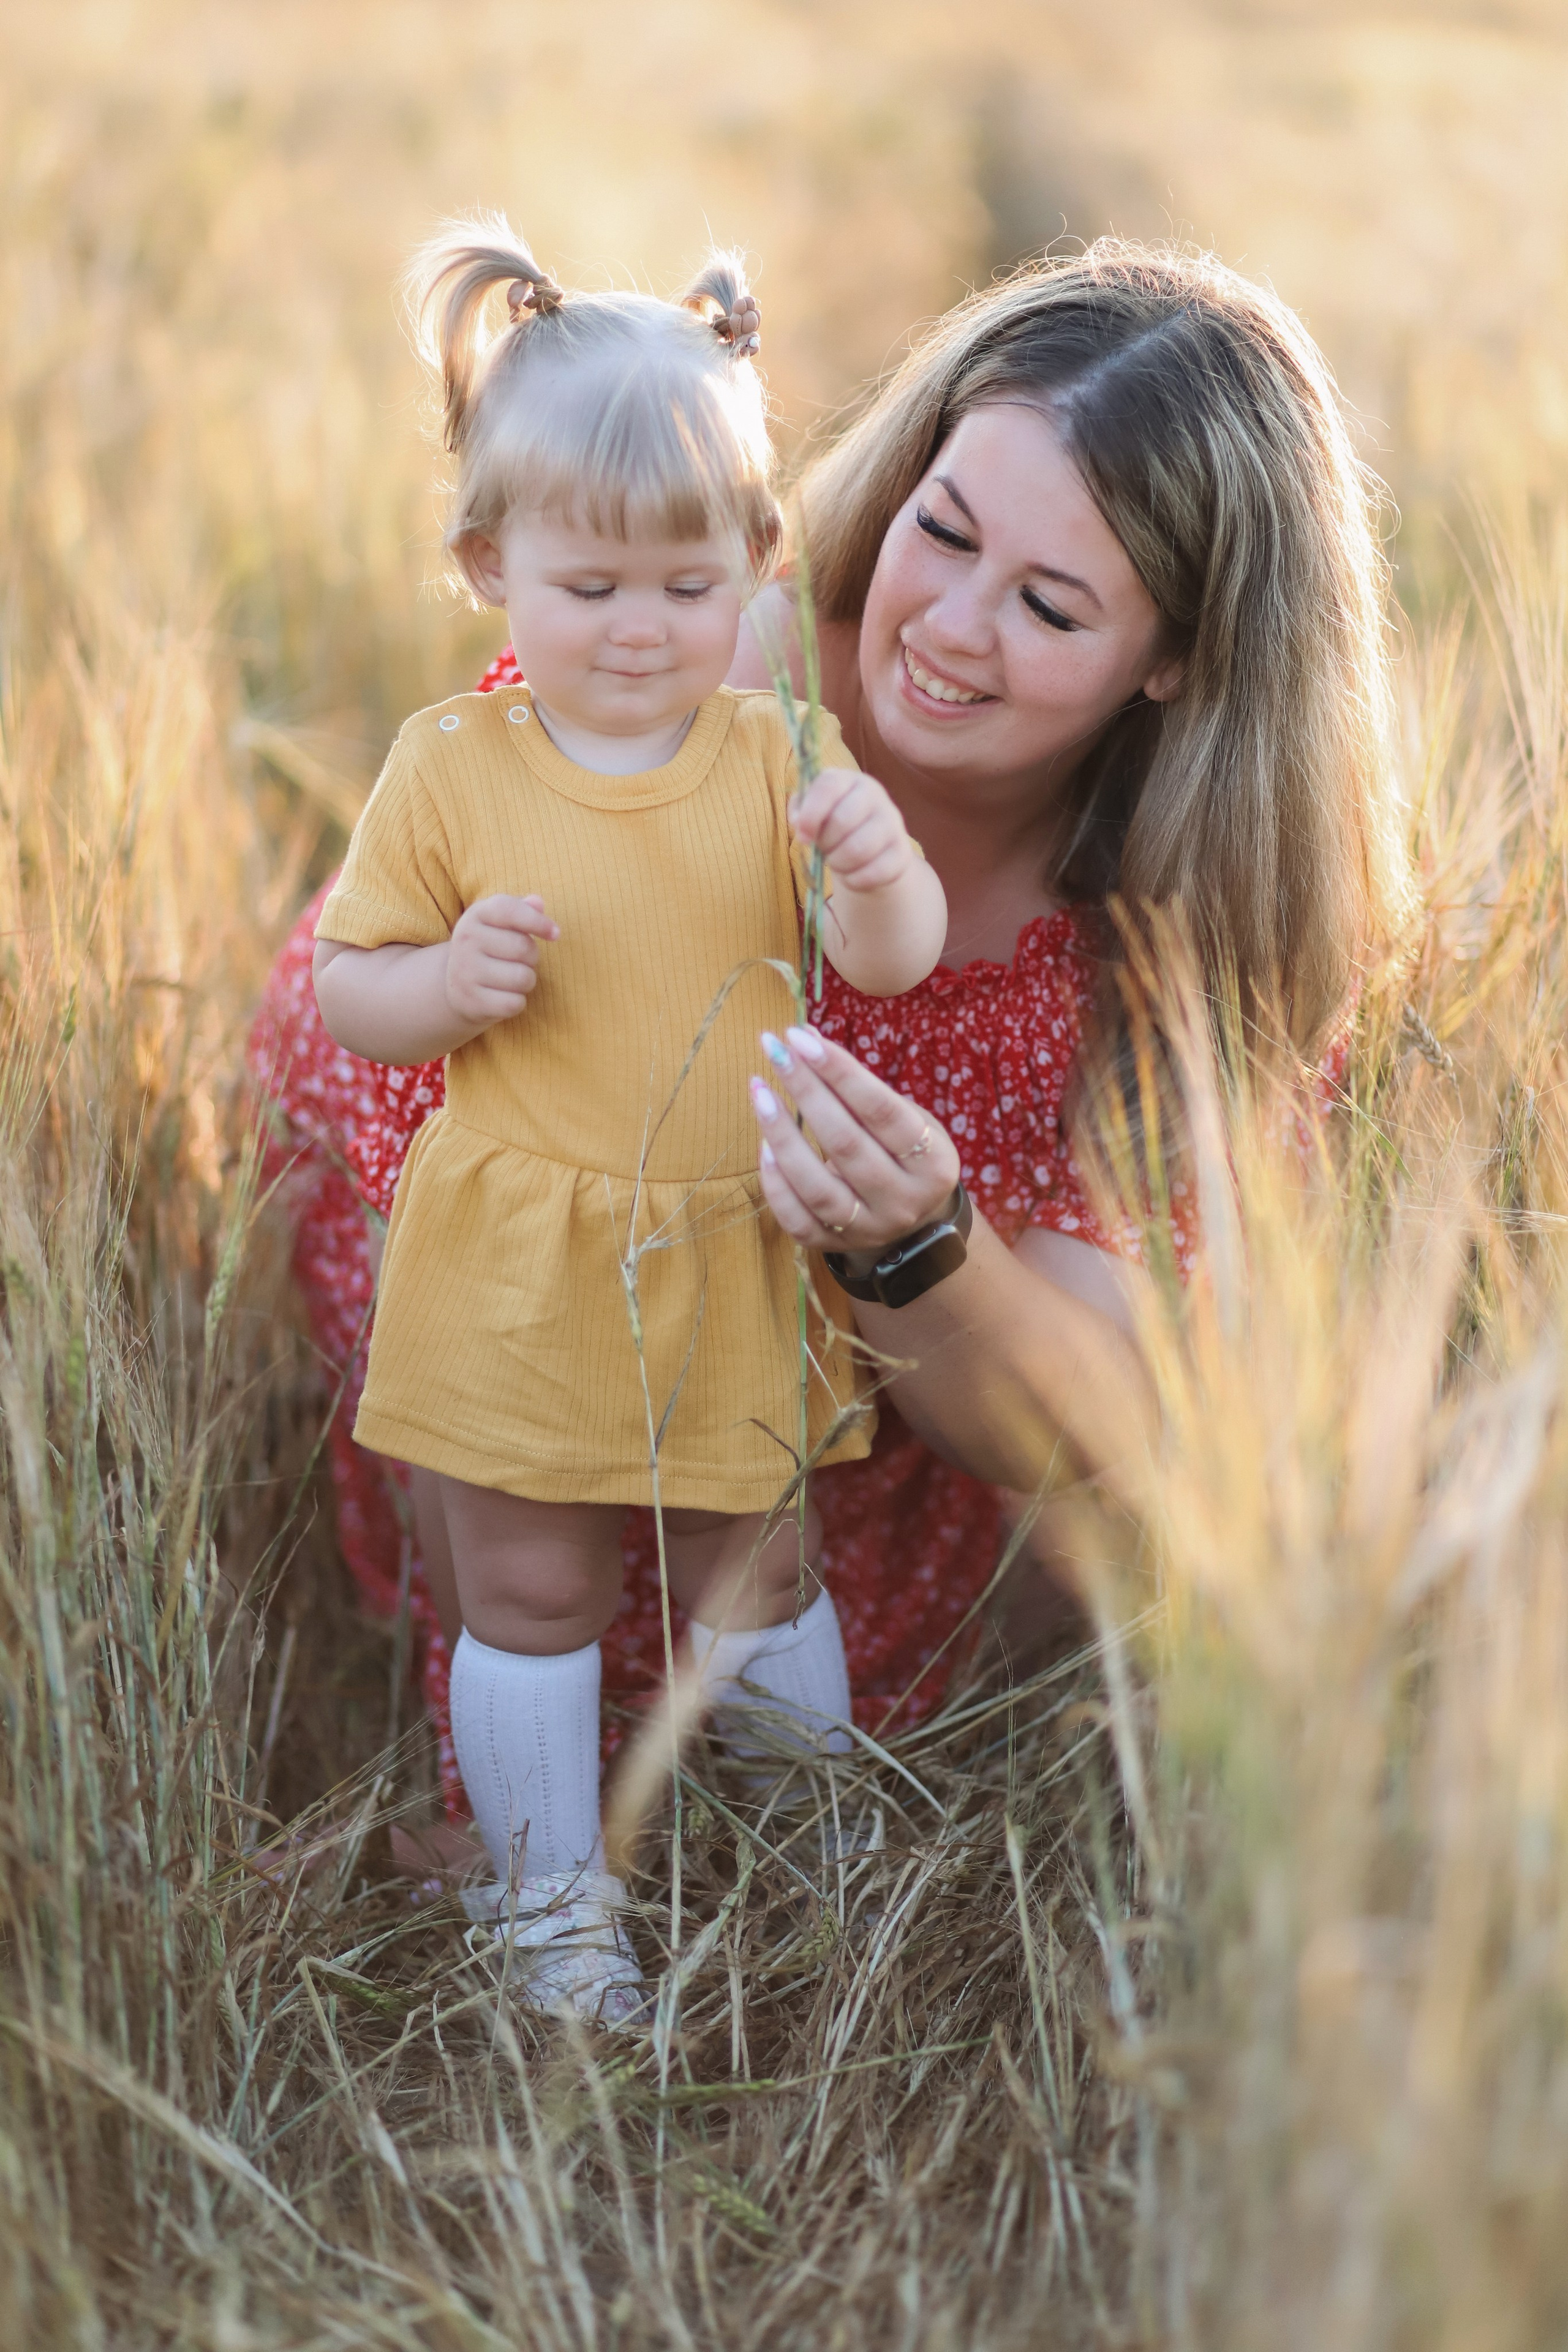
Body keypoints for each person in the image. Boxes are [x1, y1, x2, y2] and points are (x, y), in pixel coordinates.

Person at [251, 235, 1407, 1932]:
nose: (945, 627)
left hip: (837, 1473)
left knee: (782, 1639)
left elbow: (1097, 1420)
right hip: (524, 1370)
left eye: (1052, 604)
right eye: (945, 532)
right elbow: (421, 1122)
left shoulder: (1201, 932)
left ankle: (809, 1851)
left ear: (1176, 661)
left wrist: (918, 1244)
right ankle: (538, 1846)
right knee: (539, 1603)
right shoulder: (703, 666)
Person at [306, 217, 947, 2021]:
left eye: (687, 589)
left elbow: (882, 967)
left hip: (729, 1230)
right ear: (488, 563)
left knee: (759, 1555)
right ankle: (546, 1903)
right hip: (526, 1242)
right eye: (588, 591)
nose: (640, 632)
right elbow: (359, 980)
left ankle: (814, 1858)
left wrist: (880, 871)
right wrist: (444, 989)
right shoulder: (452, 767)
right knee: (526, 1581)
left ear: (752, 566)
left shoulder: (774, 754)